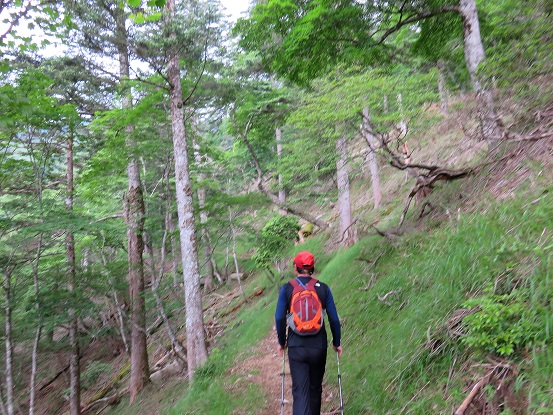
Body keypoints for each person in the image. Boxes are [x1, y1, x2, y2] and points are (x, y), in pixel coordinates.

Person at [275, 251, 342, 415]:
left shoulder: (287, 288)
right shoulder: (323, 288)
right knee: (315, 389)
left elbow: (279, 317)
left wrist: (282, 341)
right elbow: (334, 319)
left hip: (296, 346)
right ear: (312, 268)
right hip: (318, 346)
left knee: (300, 393)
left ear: (295, 267)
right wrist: (336, 342)